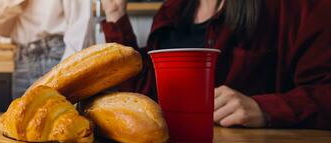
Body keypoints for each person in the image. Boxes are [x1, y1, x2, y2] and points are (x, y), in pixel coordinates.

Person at [101, 0, 331, 129]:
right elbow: (148, 94)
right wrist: (115, 14)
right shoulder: (172, 10)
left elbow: (324, 93)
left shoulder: (297, 9)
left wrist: (264, 108)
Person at [0, 0, 94, 98]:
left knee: (61, 118)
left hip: (56, 58)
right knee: (19, 119)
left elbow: (81, 23)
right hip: (22, 61)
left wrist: (68, 71)